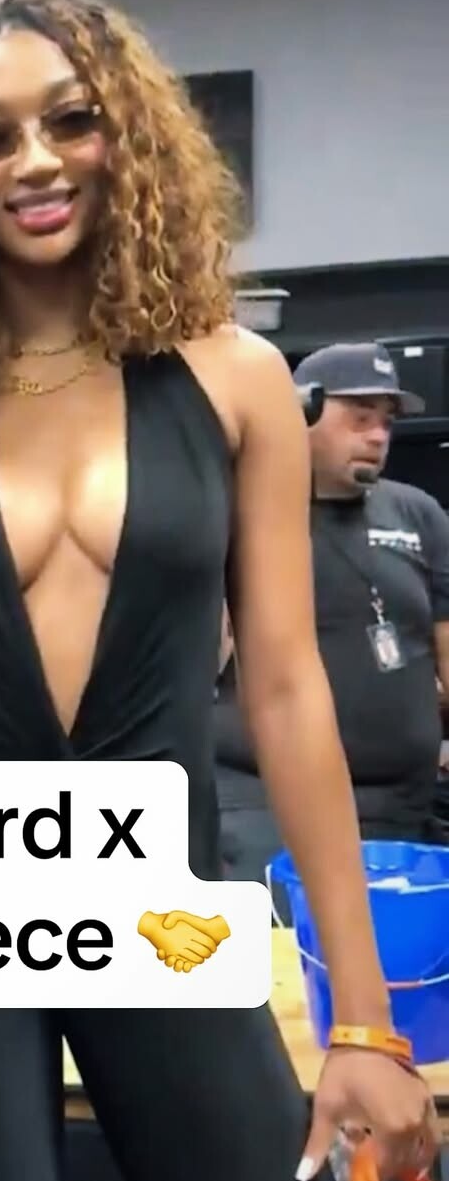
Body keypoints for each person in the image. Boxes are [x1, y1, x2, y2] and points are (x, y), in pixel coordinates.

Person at [0, 0, 439, 1181]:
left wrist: (364, 1019)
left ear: (128, 136)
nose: (36, 162)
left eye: (71, 120)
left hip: (158, 893)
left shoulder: (232, 377)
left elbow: (285, 686)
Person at [217, 341, 449, 903]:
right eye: (359, 418)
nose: (378, 436)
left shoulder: (417, 513)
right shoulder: (237, 510)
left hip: (404, 808)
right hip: (266, 804)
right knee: (287, 953)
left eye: (386, 422)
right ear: (301, 414)